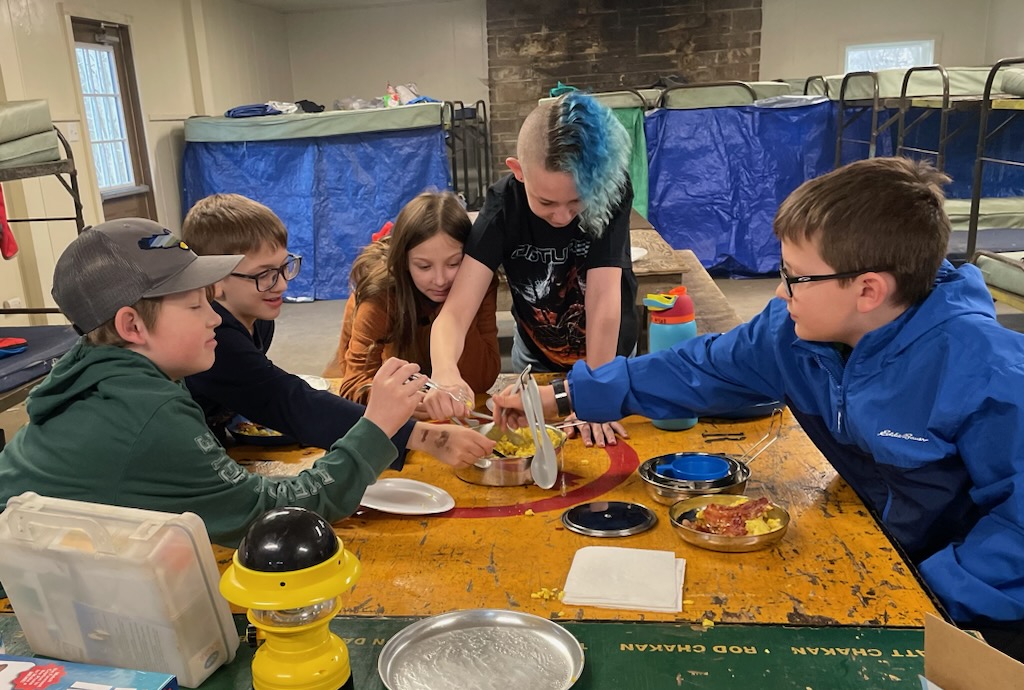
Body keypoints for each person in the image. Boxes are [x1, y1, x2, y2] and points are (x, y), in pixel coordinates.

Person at [493, 157, 1024, 660]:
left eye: (796, 276)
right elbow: (694, 368)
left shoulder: (988, 372)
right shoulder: (792, 335)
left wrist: (927, 597)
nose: (780, 289)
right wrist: (562, 395)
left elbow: (1018, 528)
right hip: (878, 549)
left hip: (969, 604)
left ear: (867, 290)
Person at [0, 218, 429, 547]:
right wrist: (375, 428)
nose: (212, 318)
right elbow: (271, 514)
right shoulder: (150, 413)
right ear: (131, 325)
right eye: (193, 306)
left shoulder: (100, 367)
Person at [180, 193, 493, 467]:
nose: (284, 284)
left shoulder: (258, 317)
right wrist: (425, 437)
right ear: (214, 280)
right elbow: (289, 401)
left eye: (284, 266)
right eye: (264, 275)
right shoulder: (216, 336)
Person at [428, 91, 638, 447]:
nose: (561, 216)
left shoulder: (611, 191)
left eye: (577, 201)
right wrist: (446, 372)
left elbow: (603, 304)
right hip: (539, 358)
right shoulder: (502, 209)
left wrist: (594, 394)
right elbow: (455, 312)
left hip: (608, 358)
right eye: (546, 202)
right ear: (518, 171)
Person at [324, 190, 500, 414]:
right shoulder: (380, 295)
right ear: (403, 262)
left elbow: (483, 379)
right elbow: (352, 386)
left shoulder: (481, 285)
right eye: (424, 266)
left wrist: (458, 312)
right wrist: (414, 401)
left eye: (454, 263)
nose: (440, 280)